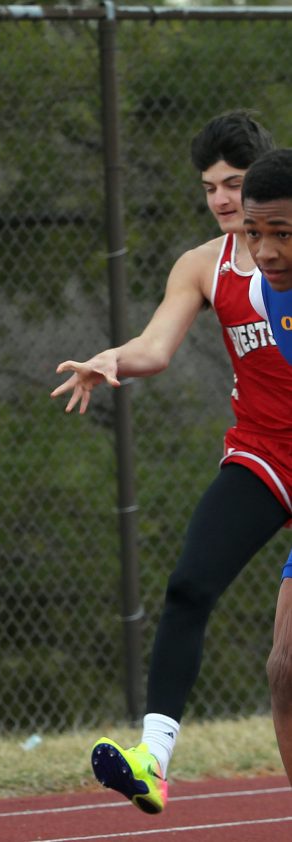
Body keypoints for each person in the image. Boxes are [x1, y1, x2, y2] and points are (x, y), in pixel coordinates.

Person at [51, 111, 290, 814]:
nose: (221, 200)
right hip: (264, 456)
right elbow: (155, 348)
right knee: (189, 585)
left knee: (285, 662)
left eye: (235, 185)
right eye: (210, 187)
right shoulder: (202, 266)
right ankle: (153, 757)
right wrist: (110, 359)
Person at [243, 147, 292, 788]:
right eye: (255, 234)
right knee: (285, 668)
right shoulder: (266, 292)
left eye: (283, 234)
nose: (266, 251)